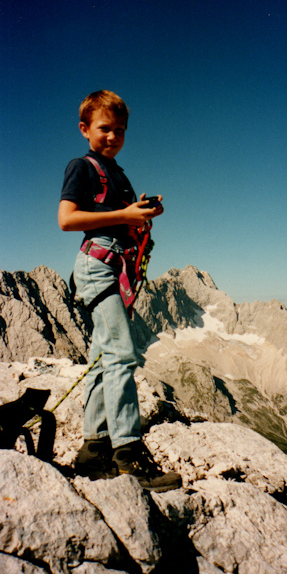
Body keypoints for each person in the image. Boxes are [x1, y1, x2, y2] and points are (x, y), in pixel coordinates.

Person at [58, 90, 181, 491]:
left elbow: (117, 222)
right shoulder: (83, 166)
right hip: (98, 266)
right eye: (104, 128)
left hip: (113, 265)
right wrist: (125, 214)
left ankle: (94, 451)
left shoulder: (118, 174)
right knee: (123, 354)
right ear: (85, 129)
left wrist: (141, 213)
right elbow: (67, 219)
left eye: (120, 130)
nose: (112, 136)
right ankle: (127, 454)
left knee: (101, 356)